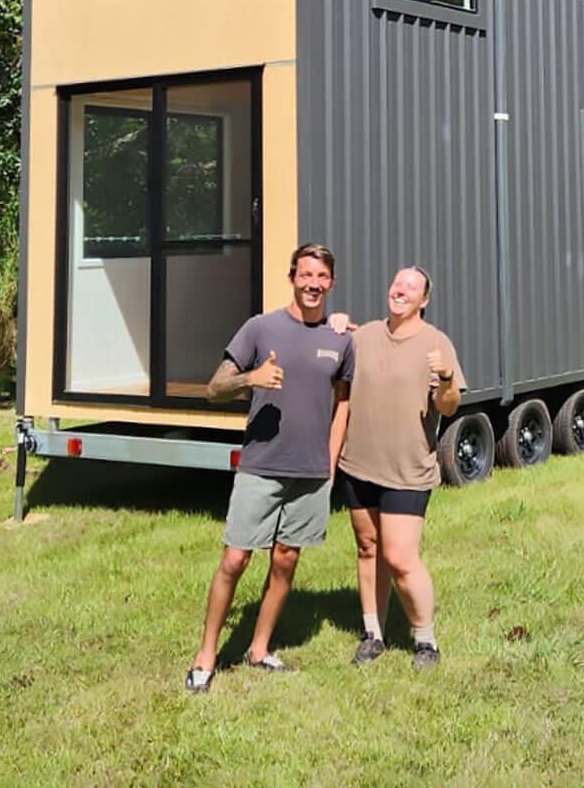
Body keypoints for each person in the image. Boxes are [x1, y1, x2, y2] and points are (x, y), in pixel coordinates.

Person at [185, 243, 354, 694]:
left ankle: (259, 649)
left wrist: (330, 464)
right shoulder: (261, 328)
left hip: (311, 471)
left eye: (321, 277)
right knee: (236, 558)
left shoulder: (341, 339)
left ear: (331, 283)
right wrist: (251, 378)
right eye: (305, 275)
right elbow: (213, 388)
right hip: (261, 465)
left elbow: (344, 403)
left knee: (286, 560)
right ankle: (205, 656)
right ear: (292, 277)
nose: (313, 284)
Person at [337, 266, 465, 669]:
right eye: (396, 284)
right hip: (358, 463)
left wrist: (444, 380)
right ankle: (373, 633)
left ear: (424, 300)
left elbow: (449, 406)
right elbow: (328, 351)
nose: (401, 291)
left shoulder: (436, 342)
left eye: (411, 288)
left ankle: (425, 641)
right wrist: (332, 322)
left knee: (400, 556)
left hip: (408, 468)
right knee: (368, 548)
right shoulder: (364, 336)